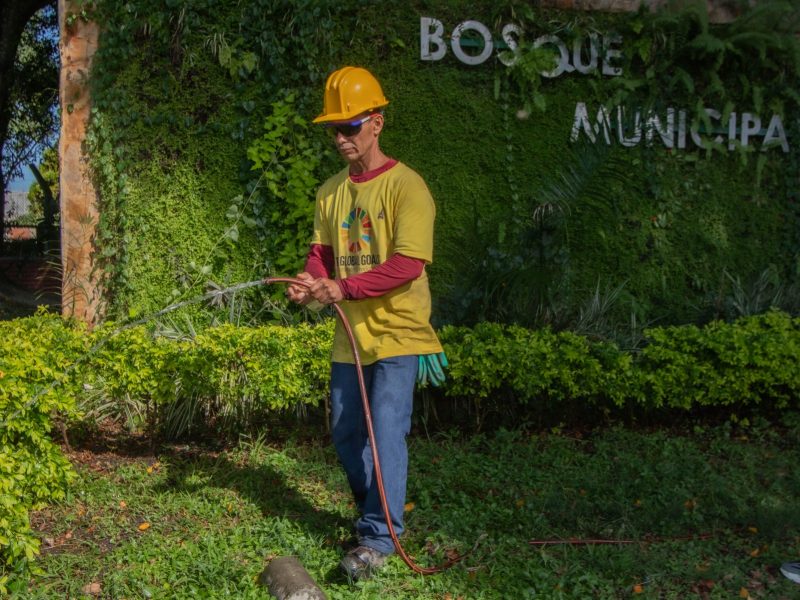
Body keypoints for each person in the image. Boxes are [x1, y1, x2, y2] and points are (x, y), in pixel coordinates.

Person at [286, 66, 445, 580]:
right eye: (334, 129)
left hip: (399, 330)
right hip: (350, 335)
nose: (340, 138)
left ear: (376, 123)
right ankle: (373, 510)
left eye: (349, 126)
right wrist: (311, 282)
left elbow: (409, 264)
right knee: (345, 430)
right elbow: (321, 255)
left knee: (385, 430)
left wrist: (343, 287)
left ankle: (378, 536)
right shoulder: (330, 191)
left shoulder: (407, 187)